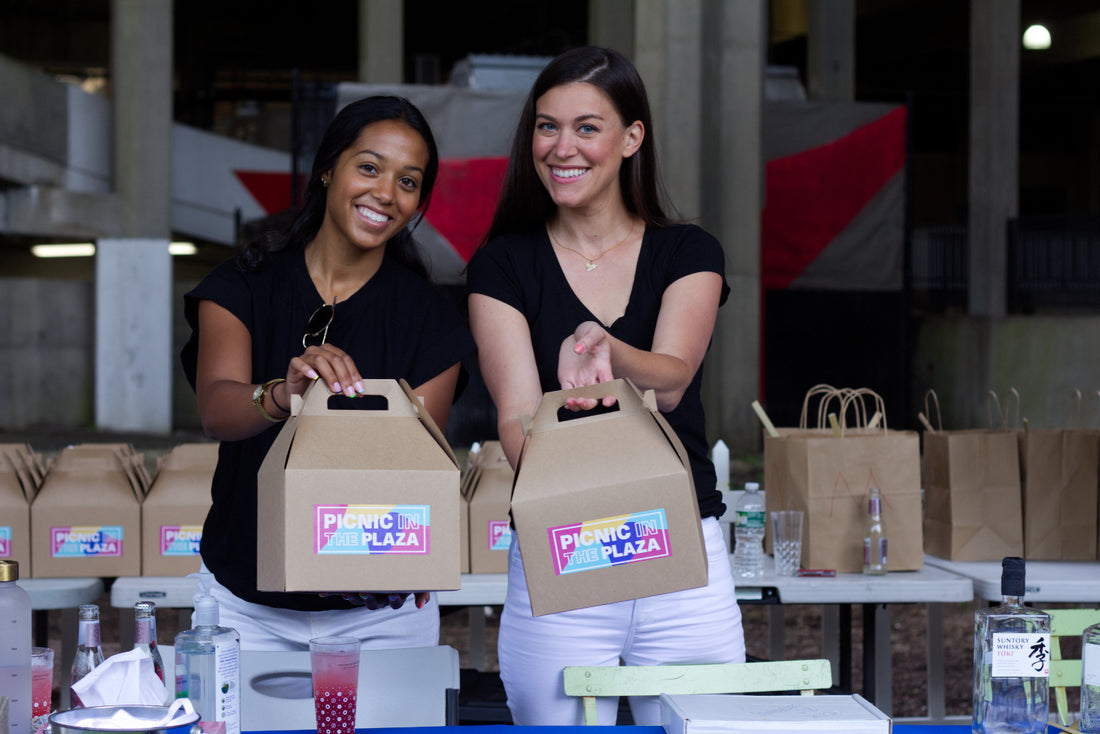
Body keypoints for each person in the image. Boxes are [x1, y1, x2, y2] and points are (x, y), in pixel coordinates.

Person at [466, 46, 746, 725]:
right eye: (546, 126)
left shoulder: (688, 252)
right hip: (561, 539)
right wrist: (565, 426)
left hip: (680, 547)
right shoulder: (504, 264)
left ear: (631, 138)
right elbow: (516, 423)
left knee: (702, 724)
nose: (562, 147)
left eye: (587, 127)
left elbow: (673, 382)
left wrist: (611, 352)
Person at [180, 95, 475, 650]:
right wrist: (284, 395)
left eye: (408, 182)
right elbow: (218, 410)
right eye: (368, 167)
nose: (385, 193)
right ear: (326, 170)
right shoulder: (244, 284)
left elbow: (417, 467)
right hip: (245, 608)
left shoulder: (431, 318)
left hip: (379, 615)